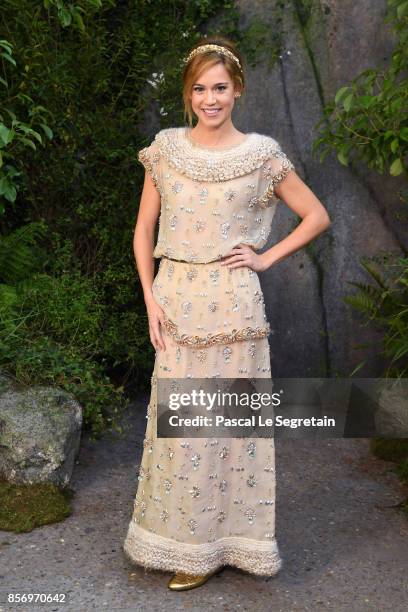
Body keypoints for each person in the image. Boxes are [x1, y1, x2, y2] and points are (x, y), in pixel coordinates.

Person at [123, 35, 331, 591]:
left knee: (229, 430)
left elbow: (315, 215)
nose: (210, 98)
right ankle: (185, 541)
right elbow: (144, 230)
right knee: (181, 429)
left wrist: (265, 257)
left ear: (237, 90)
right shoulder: (165, 148)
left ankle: (223, 547)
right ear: (188, 94)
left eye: (219, 87)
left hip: (234, 306)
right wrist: (149, 298)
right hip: (176, 300)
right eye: (199, 88)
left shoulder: (261, 154)